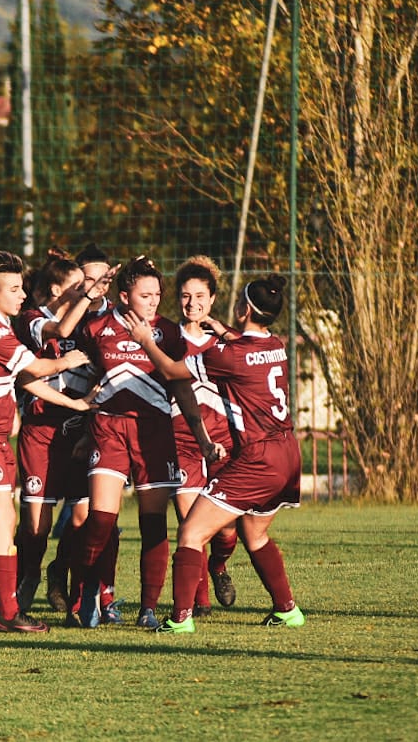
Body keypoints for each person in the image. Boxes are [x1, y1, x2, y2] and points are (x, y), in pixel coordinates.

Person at [129, 275, 306, 633]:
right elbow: (246, 345)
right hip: (289, 453)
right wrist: (223, 331)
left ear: (243, 309)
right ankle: (288, 610)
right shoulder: (276, 344)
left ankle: (180, 620)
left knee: (192, 533)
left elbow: (171, 371)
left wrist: (146, 341)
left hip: (258, 458)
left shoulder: (231, 356)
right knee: (254, 535)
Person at [0, 251, 96, 634]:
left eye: (22, 288)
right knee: (5, 519)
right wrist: (68, 361)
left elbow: (27, 381)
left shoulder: (0, 327)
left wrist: (73, 401)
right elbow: (39, 368)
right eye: (13, 289)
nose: (22, 296)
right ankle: (9, 612)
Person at [66, 256, 214, 630]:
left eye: (157, 294)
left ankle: (148, 606)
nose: (153, 301)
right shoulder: (97, 327)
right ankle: (87, 594)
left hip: (154, 433)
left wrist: (202, 438)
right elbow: (81, 370)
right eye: (144, 295)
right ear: (124, 296)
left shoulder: (167, 332)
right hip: (109, 429)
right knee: (101, 519)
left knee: (153, 524)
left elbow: (182, 386)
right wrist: (84, 426)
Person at [12, 250, 115, 615]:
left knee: (83, 517)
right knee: (36, 526)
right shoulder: (32, 319)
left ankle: (63, 578)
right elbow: (57, 334)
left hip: (80, 432)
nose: (88, 291)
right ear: (57, 288)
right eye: (79, 286)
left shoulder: (91, 325)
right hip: (40, 432)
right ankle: (28, 577)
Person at [169, 256, 239, 617]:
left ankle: (219, 566)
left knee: (226, 529)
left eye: (199, 296)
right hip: (181, 443)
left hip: (223, 442)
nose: (192, 303)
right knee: (189, 523)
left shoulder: (226, 341)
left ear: (212, 299)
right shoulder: (166, 338)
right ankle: (200, 600)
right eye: (185, 295)